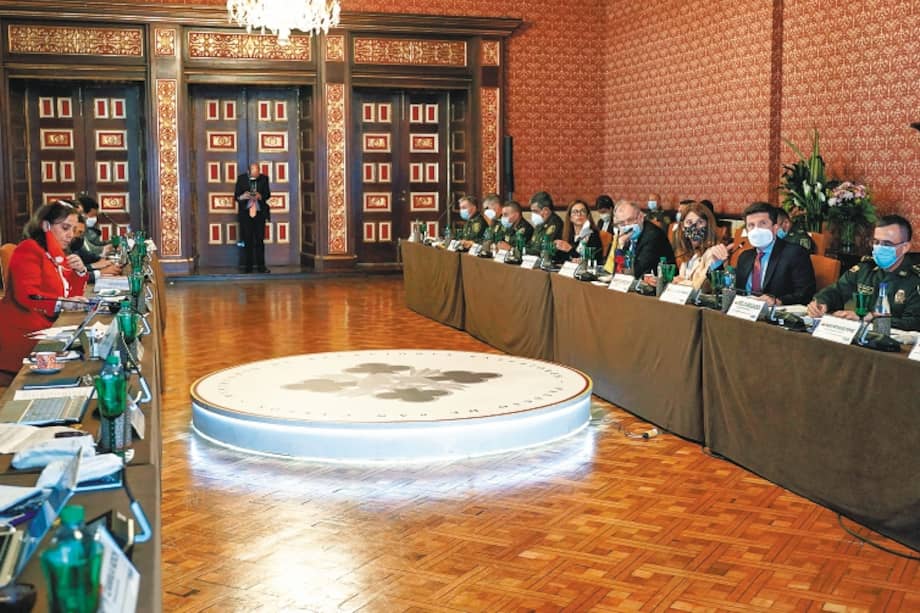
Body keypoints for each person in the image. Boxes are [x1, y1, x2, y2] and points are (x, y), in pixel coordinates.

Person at [0, 201, 89, 377]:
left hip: (47, 328)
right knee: (74, 368)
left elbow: (70, 296)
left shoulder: (55, 254)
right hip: (25, 336)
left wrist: (80, 272)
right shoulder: (29, 249)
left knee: (86, 356)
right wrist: (63, 304)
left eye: (73, 229)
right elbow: (29, 295)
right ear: (46, 225)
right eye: (65, 228)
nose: (70, 235)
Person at [807, 215, 920, 330]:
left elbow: (914, 322)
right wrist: (822, 302)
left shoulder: (915, 278)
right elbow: (837, 290)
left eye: (887, 244)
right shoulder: (866, 268)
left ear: (905, 247)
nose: (879, 248)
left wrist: (870, 318)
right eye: (876, 242)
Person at [733, 202, 815, 306]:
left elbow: (806, 293)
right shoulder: (744, 257)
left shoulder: (795, 253)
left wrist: (778, 301)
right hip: (745, 313)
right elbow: (735, 291)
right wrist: (716, 264)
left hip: (775, 316)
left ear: (775, 228)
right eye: (751, 225)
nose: (756, 230)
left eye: (762, 223)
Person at [611, 200, 675, 278]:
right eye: (622, 223)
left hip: (662, 285)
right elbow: (617, 272)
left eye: (630, 220)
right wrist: (620, 246)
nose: (627, 226)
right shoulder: (625, 237)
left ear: (641, 217)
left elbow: (637, 271)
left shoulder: (653, 236)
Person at [672, 202, 728, 289]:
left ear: (708, 225)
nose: (694, 227)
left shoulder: (714, 252)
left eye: (700, 222)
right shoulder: (687, 251)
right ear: (683, 226)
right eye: (689, 222)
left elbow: (704, 287)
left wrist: (682, 283)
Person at [234, 162, 271, 273]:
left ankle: (261, 266)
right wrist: (243, 196)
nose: (256, 175)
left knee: (259, 240)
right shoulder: (241, 179)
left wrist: (261, 196)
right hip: (246, 214)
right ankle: (248, 267)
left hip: (259, 214)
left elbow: (267, 194)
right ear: (248, 172)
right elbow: (236, 196)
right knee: (247, 240)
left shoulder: (264, 179)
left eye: (257, 173)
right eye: (253, 173)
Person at [71, 215, 122, 283]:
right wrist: (98, 271)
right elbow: (72, 276)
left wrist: (100, 260)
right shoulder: (66, 244)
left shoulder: (76, 242)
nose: (70, 235)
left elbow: (85, 254)